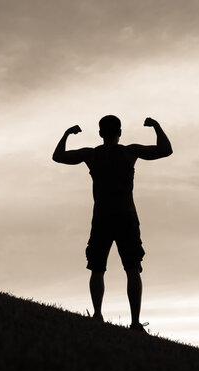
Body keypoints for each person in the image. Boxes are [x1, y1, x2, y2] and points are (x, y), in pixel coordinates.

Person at [52, 115, 172, 333]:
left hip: (103, 217)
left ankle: (98, 315)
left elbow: (58, 156)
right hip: (126, 216)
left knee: (97, 268)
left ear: (100, 133)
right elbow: (165, 149)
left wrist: (67, 134)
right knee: (132, 268)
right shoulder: (129, 151)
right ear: (119, 133)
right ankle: (134, 323)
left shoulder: (92, 154)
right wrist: (156, 126)